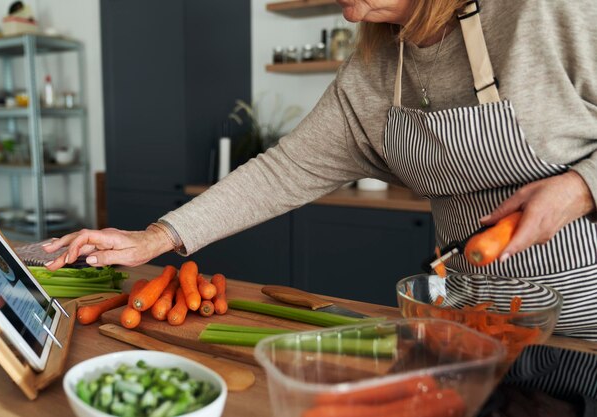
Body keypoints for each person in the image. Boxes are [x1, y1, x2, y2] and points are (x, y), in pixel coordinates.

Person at [44, 0, 597, 340]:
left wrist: (580, 187)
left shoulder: (545, 11)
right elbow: (283, 171)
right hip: (472, 325)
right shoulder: (375, 71)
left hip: (584, 329)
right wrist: (152, 239)